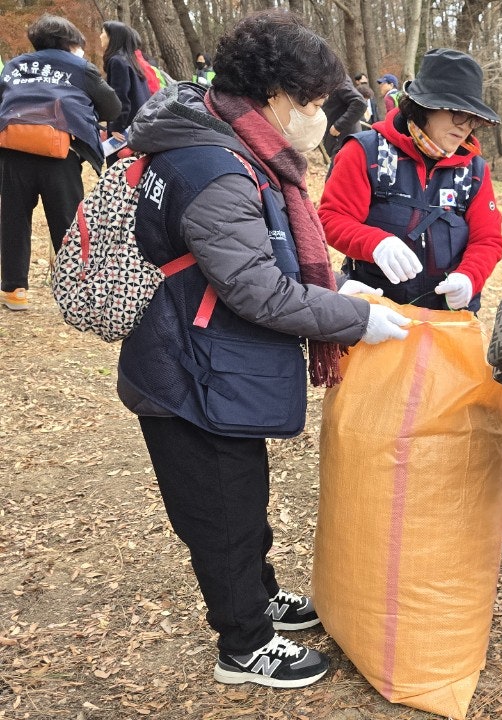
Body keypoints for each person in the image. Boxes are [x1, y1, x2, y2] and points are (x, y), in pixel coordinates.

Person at [115, 9, 413, 690]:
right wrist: (350, 319)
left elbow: (269, 253)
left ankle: (259, 597)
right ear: (276, 97)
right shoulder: (214, 166)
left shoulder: (231, 144)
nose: (319, 118)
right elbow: (256, 288)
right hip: (188, 371)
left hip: (210, 360)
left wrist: (345, 288)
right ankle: (243, 644)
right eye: (311, 103)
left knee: (240, 499)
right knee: (221, 514)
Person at [320, 49, 502, 312]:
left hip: (447, 323)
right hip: (377, 312)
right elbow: (332, 218)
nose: (466, 126)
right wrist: (376, 243)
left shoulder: (474, 170)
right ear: (425, 106)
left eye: (473, 118)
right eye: (457, 113)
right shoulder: (365, 152)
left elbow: (488, 239)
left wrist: (469, 277)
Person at [0, 14, 121, 311]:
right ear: (69, 42)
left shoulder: (15, 65)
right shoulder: (80, 67)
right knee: (67, 222)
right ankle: (74, 288)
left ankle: (14, 291)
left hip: (12, 151)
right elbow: (112, 106)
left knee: (13, 220)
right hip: (60, 154)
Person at [99, 21, 153, 154]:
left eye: (103, 33)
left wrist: (117, 126)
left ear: (113, 37)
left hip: (125, 129)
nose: (100, 36)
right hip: (138, 125)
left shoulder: (117, 61)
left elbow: (120, 96)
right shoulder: (130, 59)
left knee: (119, 170)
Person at [319, 75, 366, 158]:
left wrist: (339, 125)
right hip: (337, 143)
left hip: (344, 142)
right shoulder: (328, 80)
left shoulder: (339, 79)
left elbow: (360, 103)